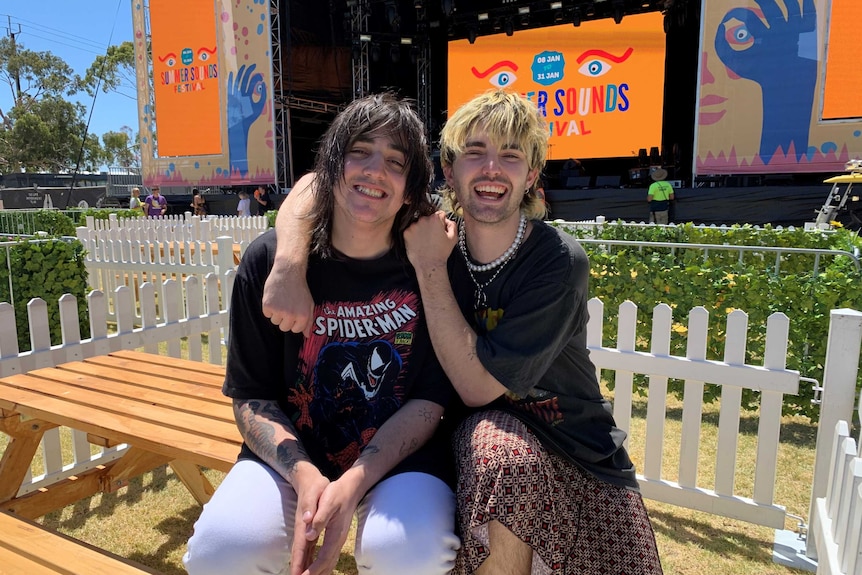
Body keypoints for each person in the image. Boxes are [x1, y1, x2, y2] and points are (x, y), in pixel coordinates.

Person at [262, 90, 663, 575]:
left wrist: (430, 268)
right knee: (506, 463)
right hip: (482, 439)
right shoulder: (429, 232)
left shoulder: (554, 260)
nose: (492, 168)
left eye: (511, 155)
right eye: (475, 152)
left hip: (575, 445)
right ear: (449, 172)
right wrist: (287, 264)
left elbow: (477, 383)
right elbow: (315, 184)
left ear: (531, 175)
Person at [183, 92, 460, 575]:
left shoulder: (431, 263)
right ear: (332, 164)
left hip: (401, 457)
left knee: (410, 551)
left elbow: (431, 401)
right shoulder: (269, 261)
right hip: (294, 456)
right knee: (222, 551)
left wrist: (356, 480)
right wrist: (304, 473)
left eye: (395, 162)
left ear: (412, 188)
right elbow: (252, 398)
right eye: (359, 151)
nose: (374, 171)